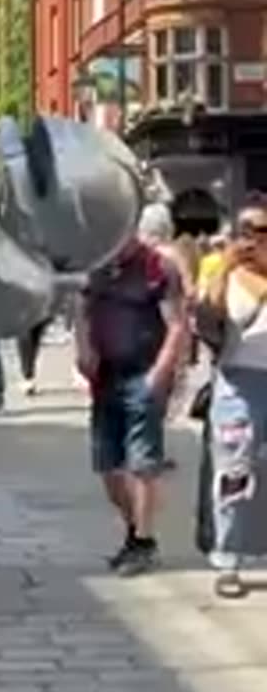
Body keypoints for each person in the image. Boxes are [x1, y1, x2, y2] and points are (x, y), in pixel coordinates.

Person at [76, 222, 188, 577]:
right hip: (105, 376)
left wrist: (163, 370)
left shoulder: (157, 268)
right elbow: (81, 310)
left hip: (143, 373)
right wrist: (83, 348)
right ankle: (134, 530)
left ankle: (142, 541)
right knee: (108, 468)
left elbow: (177, 324)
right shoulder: (97, 268)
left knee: (141, 463)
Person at [195, 200, 267, 597]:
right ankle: (227, 559)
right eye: (249, 232)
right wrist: (224, 265)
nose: (256, 241)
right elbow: (208, 320)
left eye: (265, 232)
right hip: (238, 386)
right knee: (235, 472)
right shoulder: (227, 275)